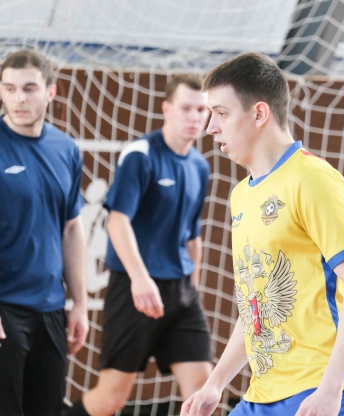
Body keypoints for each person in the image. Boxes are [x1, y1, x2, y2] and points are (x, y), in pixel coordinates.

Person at [181, 52, 344, 416]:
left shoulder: (313, 178)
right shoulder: (242, 195)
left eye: (221, 113)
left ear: (260, 113)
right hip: (264, 394)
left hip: (325, 390)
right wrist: (216, 382)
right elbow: (256, 306)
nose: (210, 127)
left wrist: (331, 390)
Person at [68, 74, 213, 416]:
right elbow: (118, 220)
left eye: (201, 110)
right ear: (167, 109)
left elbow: (192, 236)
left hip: (181, 293)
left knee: (204, 396)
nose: (194, 117)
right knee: (110, 400)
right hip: (135, 289)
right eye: (186, 108)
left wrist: (192, 288)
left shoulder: (199, 166)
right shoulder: (141, 154)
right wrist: (140, 278)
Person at [0, 49, 89, 415]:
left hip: (51, 310)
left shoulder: (65, 149)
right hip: (5, 308)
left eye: (29, 88)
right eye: (9, 88)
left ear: (50, 91)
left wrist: (80, 303)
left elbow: (71, 228)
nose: (18, 98)